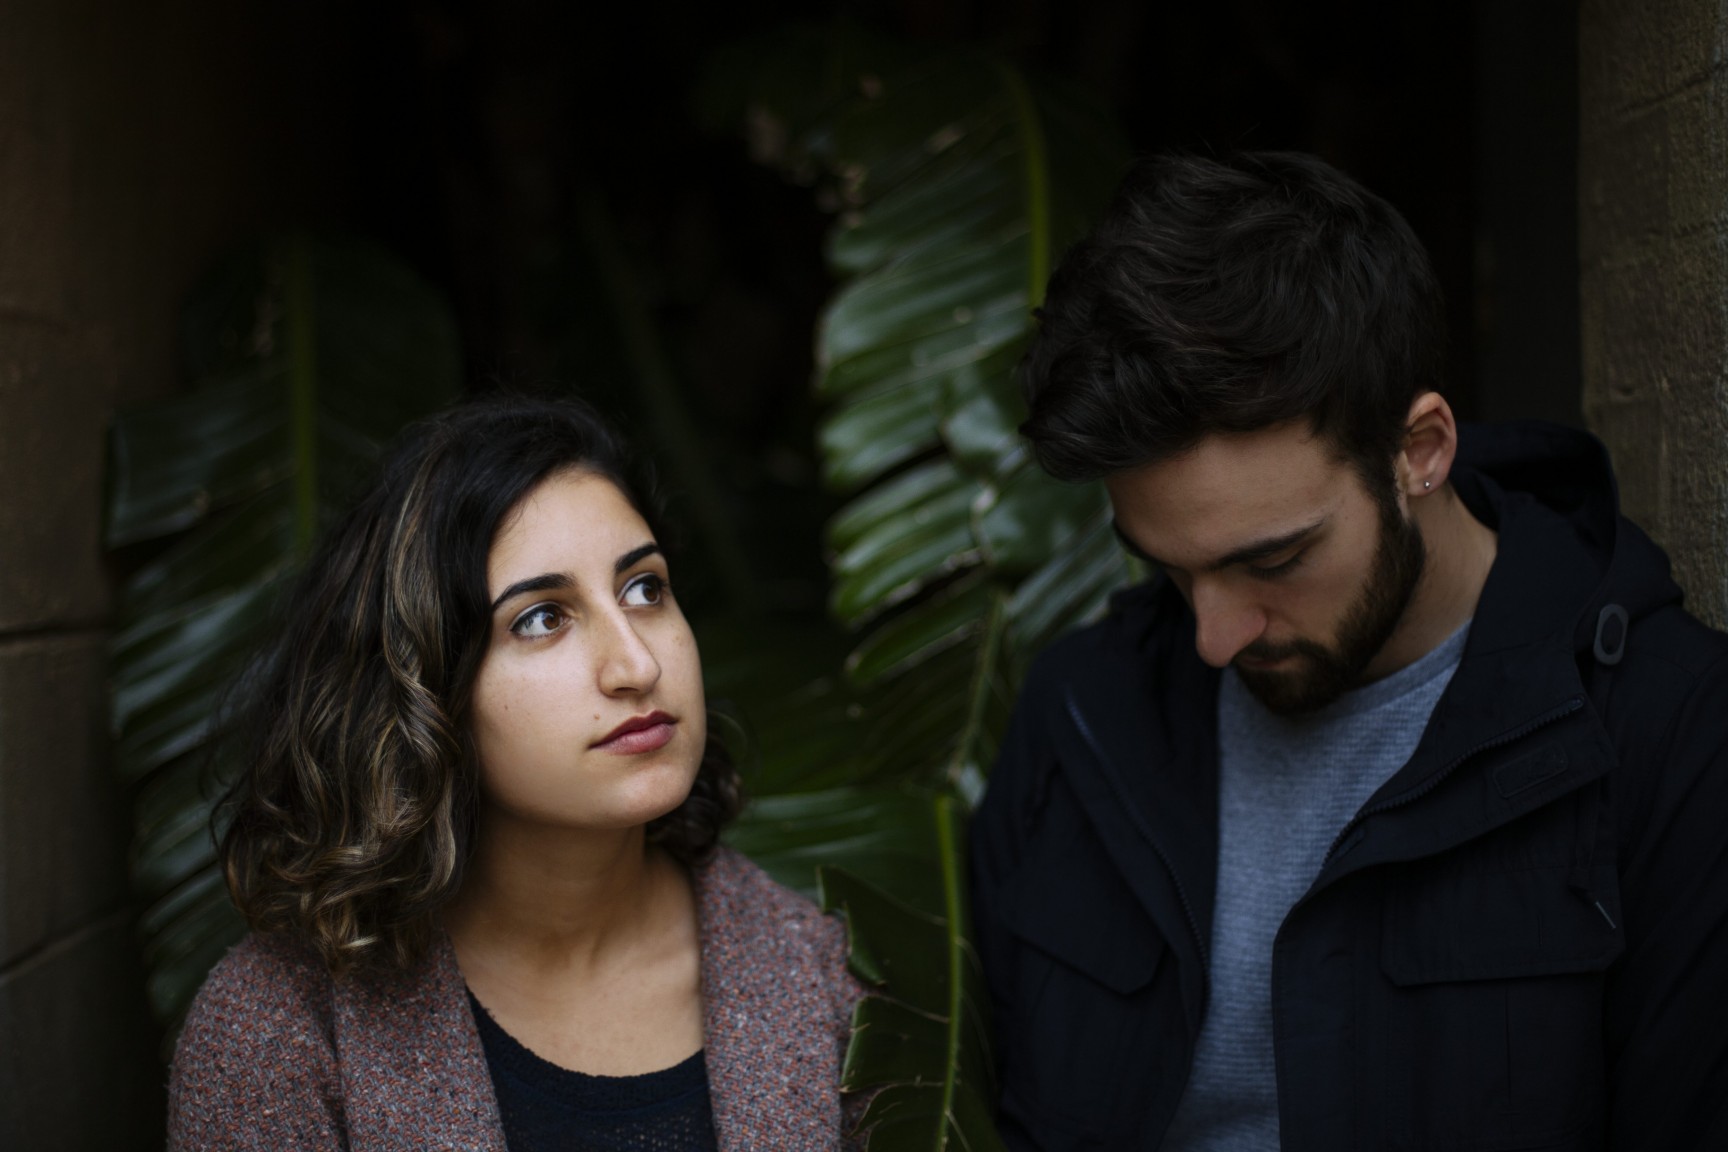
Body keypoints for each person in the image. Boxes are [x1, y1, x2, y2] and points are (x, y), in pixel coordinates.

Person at [970, 152, 1728, 1151]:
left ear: (1419, 451)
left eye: (1274, 560)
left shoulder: (1668, 733)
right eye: (1169, 570)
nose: (1214, 637)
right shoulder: (1082, 712)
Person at [169, 395, 865, 1151]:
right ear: (422, 691)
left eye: (645, 589)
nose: (638, 664)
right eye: (542, 618)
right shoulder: (282, 1032)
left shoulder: (829, 978)